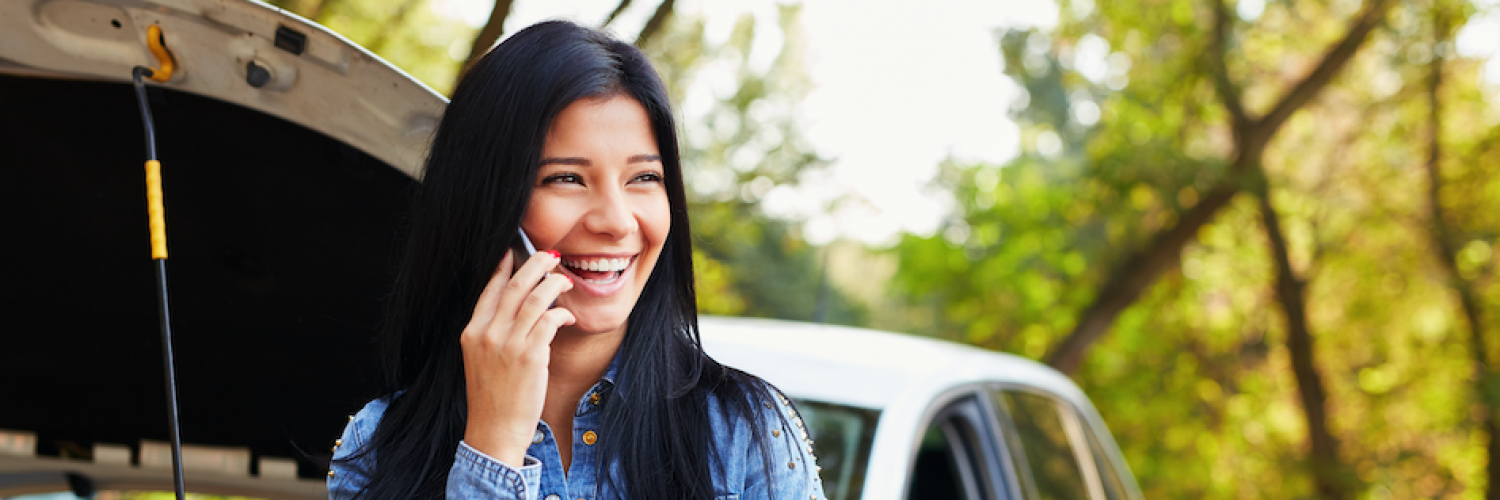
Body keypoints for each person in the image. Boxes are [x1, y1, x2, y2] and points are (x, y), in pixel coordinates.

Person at [326, 20, 826, 500]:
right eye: (565, 178)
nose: (617, 222)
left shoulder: (747, 434)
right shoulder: (378, 446)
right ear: (483, 202)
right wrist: (492, 449)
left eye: (644, 178)